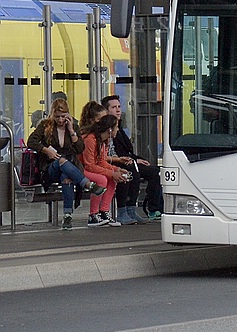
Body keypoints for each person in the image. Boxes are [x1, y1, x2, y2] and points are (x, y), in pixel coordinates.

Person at [25, 99, 106, 230]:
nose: (60, 120)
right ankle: (87, 184)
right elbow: (31, 141)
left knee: (66, 177)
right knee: (61, 161)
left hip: (70, 167)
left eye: (63, 116)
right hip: (50, 167)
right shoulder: (45, 125)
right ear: (52, 114)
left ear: (68, 114)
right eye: (57, 117)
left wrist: (71, 130)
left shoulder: (73, 125)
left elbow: (80, 149)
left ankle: (67, 216)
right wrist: (46, 150)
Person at [103, 94, 162, 222]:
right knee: (130, 171)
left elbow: (127, 150)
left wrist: (136, 159)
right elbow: (112, 152)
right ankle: (124, 210)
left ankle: (153, 208)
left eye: (119, 106)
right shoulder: (106, 130)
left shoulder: (120, 127)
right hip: (117, 162)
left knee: (155, 171)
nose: (118, 110)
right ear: (106, 111)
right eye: (114, 107)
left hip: (127, 160)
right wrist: (131, 160)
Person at [81, 114, 129, 227]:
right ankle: (93, 214)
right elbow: (89, 165)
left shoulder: (102, 141)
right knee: (101, 180)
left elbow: (101, 161)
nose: (118, 130)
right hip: (80, 169)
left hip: (90, 168)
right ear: (110, 129)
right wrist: (111, 173)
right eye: (116, 127)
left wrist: (117, 170)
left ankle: (104, 211)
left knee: (112, 179)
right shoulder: (90, 139)